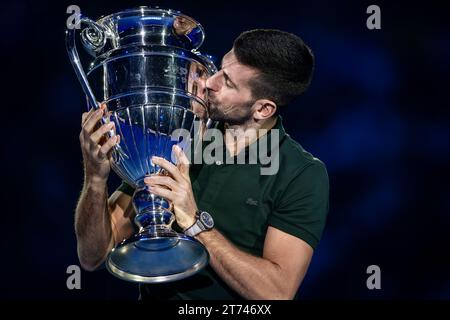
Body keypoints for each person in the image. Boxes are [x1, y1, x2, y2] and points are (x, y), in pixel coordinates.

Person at [75, 29, 329, 300]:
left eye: (228, 83)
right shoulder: (180, 133)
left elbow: (275, 293)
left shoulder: (302, 174)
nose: (210, 83)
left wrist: (195, 223)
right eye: (219, 68)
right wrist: (96, 178)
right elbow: (93, 256)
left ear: (263, 109)